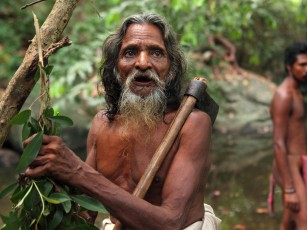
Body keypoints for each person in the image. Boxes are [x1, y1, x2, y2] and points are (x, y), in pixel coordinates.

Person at [24, 13, 221, 230]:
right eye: (130, 53)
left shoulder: (192, 124)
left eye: (156, 53)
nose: (143, 63)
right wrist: (50, 187)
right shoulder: (102, 124)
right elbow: (84, 216)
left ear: (171, 68)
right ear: (116, 67)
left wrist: (77, 172)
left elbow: (171, 223)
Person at [268, 40, 307, 230]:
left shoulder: (297, 91)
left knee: (289, 223)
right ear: (289, 66)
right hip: (287, 164)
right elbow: (278, 143)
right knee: (306, 225)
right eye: (302, 65)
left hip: (299, 162)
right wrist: (289, 189)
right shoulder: (283, 95)